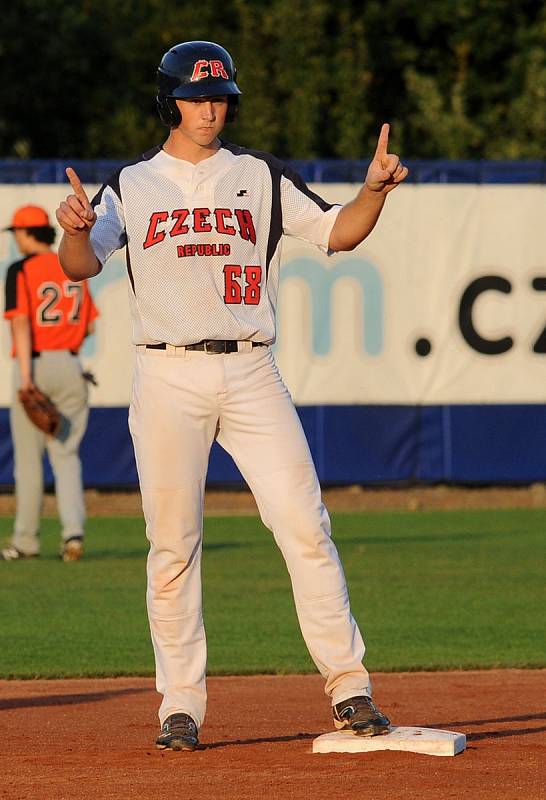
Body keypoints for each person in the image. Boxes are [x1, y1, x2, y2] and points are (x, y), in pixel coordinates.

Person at [55, 40, 408, 750]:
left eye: (218, 95)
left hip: (251, 369)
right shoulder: (132, 183)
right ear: (169, 101)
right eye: (195, 95)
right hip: (166, 372)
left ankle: (350, 687)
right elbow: (83, 263)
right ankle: (179, 705)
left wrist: (372, 192)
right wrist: (72, 232)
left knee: (306, 527)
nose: (210, 107)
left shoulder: (259, 174)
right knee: (172, 545)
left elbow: (338, 232)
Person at [0, 204, 99, 563]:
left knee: (29, 462)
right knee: (66, 456)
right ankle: (73, 536)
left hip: (33, 364)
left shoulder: (21, 269)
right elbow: (91, 324)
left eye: (16, 233)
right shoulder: (70, 263)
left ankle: (26, 542)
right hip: (70, 364)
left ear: (25, 233)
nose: (15, 239)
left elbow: (19, 323)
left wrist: (26, 380)